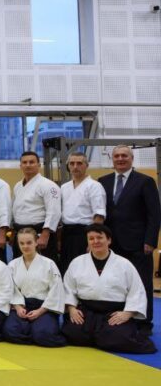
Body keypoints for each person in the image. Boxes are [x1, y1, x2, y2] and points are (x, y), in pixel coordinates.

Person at [61, 224, 156, 353]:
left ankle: (102, 336)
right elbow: (68, 288)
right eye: (91, 238)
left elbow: (136, 291)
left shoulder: (124, 264)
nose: (95, 241)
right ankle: (99, 336)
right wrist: (72, 309)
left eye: (99, 237)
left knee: (117, 337)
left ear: (109, 240)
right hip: (86, 312)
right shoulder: (77, 262)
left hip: (113, 313)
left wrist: (127, 313)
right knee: (72, 333)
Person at [98, 145, 161, 322]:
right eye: (117, 156)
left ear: (132, 158)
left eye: (124, 156)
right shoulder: (103, 181)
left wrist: (150, 241)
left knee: (142, 283)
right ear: (112, 159)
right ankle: (119, 321)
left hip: (138, 244)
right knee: (116, 284)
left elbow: (154, 214)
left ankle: (144, 322)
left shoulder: (145, 181)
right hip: (111, 244)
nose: (120, 159)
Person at [4, 227, 66, 347]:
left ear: (36, 242)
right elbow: (9, 288)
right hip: (22, 305)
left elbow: (56, 290)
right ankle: (33, 333)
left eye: (29, 242)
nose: (25, 246)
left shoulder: (49, 264)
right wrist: (17, 307)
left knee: (43, 334)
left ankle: (37, 332)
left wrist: (40, 311)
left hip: (45, 307)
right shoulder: (12, 265)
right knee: (10, 331)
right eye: (22, 243)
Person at [59, 151, 106, 275]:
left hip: (85, 233)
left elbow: (99, 215)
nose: (75, 167)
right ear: (68, 166)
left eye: (79, 163)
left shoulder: (94, 186)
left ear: (86, 165)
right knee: (67, 270)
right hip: (67, 233)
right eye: (72, 163)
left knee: (84, 271)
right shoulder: (64, 187)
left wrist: (94, 239)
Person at [11, 151, 61, 262]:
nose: (28, 165)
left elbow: (54, 211)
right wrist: (12, 232)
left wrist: (45, 235)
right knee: (20, 265)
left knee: (43, 265)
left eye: (31, 162)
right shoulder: (18, 186)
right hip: (20, 232)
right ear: (20, 166)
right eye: (24, 162)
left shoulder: (49, 185)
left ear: (39, 165)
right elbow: (15, 209)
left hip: (39, 233)